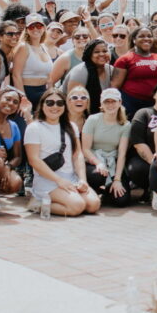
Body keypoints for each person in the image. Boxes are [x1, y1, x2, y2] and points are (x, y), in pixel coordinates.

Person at [24, 89, 101, 217]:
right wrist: (59, 180)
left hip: (71, 178)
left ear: (64, 106)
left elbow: (77, 154)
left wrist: (83, 180)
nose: (55, 106)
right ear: (42, 105)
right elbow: (34, 160)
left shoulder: (71, 126)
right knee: (77, 206)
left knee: (93, 205)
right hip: (47, 179)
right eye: (50, 103)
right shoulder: (34, 128)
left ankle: (67, 197)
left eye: (60, 103)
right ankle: (38, 203)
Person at [81, 88, 132, 207]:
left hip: (112, 162)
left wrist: (117, 180)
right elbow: (86, 149)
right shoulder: (93, 120)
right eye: (106, 102)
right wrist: (98, 163)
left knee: (122, 201)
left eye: (113, 101)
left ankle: (106, 192)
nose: (110, 105)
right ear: (101, 104)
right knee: (97, 175)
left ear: (119, 102)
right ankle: (93, 191)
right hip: (93, 161)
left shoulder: (125, 125)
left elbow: (122, 153)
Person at [126, 80, 157, 197]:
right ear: (154, 95)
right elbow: (138, 142)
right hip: (149, 160)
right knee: (136, 168)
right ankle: (151, 189)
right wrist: (155, 162)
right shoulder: (144, 113)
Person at [112, 26, 157, 114]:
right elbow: (115, 86)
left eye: (149, 36)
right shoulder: (125, 59)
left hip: (155, 103)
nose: (146, 39)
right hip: (131, 103)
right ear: (134, 40)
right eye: (141, 36)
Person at [11, 14, 53, 107]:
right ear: (26, 29)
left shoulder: (44, 47)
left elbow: (49, 77)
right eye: (31, 26)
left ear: (43, 28)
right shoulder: (23, 47)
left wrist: (51, 94)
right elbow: (16, 75)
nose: (35, 29)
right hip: (27, 92)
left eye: (38, 26)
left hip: (43, 92)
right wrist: (22, 98)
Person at [62, 39, 114, 114]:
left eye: (104, 51)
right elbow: (73, 103)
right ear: (89, 54)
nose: (102, 54)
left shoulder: (110, 69)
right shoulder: (80, 72)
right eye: (96, 52)